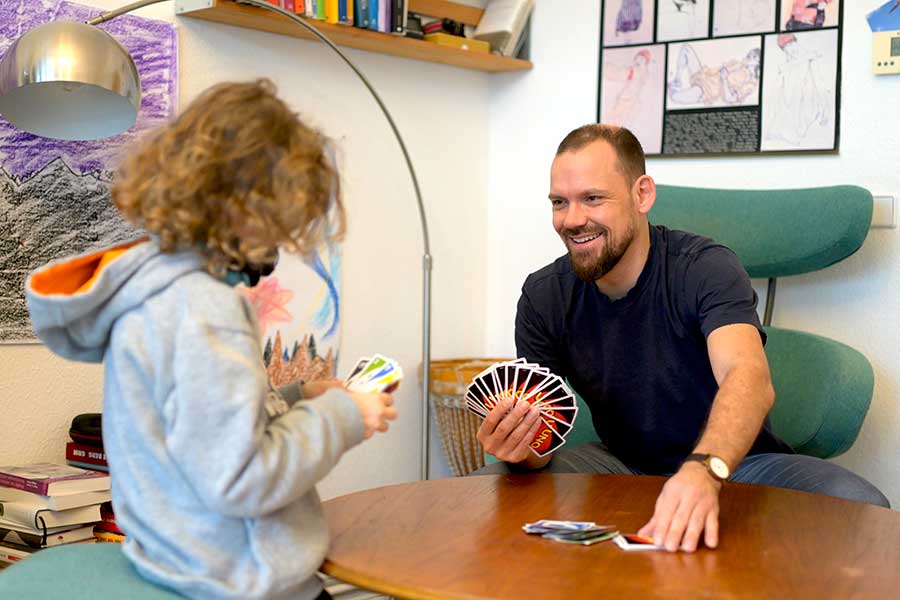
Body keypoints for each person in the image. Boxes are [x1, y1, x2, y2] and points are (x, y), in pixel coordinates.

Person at [24, 79, 397, 599]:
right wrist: (346, 417)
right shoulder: (203, 310)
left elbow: (200, 429)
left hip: (172, 554)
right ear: (249, 205)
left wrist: (296, 398)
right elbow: (241, 477)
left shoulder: (152, 285)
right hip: (235, 579)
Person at [474, 124, 890, 554]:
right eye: (560, 202)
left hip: (740, 464)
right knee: (482, 496)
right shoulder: (544, 296)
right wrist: (522, 449)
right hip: (621, 462)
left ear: (642, 195)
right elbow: (544, 441)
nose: (573, 219)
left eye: (593, 198)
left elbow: (747, 377)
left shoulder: (705, 268)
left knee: (863, 510)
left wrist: (703, 471)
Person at [668, 43, 760, 107]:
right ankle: (677, 80)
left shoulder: (751, 84)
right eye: (750, 54)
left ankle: (673, 87)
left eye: (754, 56)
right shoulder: (737, 63)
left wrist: (724, 80)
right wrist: (705, 71)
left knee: (674, 97)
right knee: (686, 48)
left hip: (708, 90)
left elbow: (730, 99)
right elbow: (715, 70)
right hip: (704, 76)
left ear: (758, 63)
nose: (750, 56)